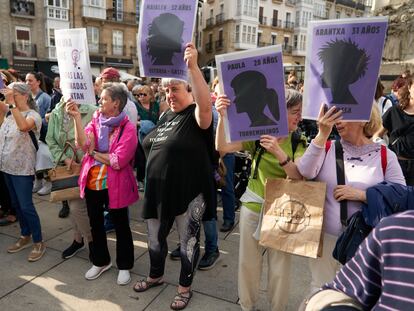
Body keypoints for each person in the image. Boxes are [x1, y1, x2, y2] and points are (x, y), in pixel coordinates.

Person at [133, 43, 214, 310]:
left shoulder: (197, 116)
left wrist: (193, 67)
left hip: (188, 193)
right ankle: (156, 275)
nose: (169, 94)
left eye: (175, 89)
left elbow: (204, 104)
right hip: (158, 192)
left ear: (189, 89)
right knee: (154, 238)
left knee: (187, 242)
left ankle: (184, 287)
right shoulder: (167, 114)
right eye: (166, 90)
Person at [296, 103, 406, 293]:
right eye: (333, 115)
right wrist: (321, 134)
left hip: (365, 240)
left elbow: (401, 198)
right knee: (320, 291)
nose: (336, 120)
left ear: (364, 119)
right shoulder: (327, 147)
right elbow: (304, 170)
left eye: (342, 115)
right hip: (325, 239)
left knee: (356, 296)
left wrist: (363, 195)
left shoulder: (385, 156)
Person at [215, 88, 307, 311]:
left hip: (283, 211)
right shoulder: (258, 134)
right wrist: (223, 117)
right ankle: (247, 306)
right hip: (254, 205)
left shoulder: (298, 140)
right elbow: (223, 147)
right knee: (248, 263)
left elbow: (300, 176)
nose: (300, 117)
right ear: (279, 112)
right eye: (295, 111)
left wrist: (278, 152)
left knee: (280, 267)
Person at [66, 82, 138, 285]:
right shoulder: (96, 120)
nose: (100, 101)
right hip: (92, 182)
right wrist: (77, 119)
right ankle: (101, 261)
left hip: (116, 185)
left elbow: (118, 160)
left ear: (116, 103)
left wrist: (95, 153)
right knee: (95, 224)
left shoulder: (128, 128)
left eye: (104, 98)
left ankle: (124, 266)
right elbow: (83, 144)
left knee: (121, 225)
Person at [303, 209, 414, 311]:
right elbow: (344, 293)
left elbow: (401, 193)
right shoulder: (395, 230)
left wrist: (363, 195)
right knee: (319, 282)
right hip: (328, 232)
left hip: (360, 233)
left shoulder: (393, 228)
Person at [46, 97, 97, 259]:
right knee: (69, 201)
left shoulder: (92, 110)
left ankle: (91, 241)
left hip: (87, 167)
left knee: (77, 208)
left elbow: (98, 139)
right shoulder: (56, 111)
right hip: (66, 168)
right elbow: (51, 140)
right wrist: (66, 159)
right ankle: (78, 239)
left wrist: (86, 159)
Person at [0, 82, 46, 261]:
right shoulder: (9, 114)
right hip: (6, 167)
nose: (10, 97)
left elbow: (23, 127)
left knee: (26, 206)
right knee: (16, 204)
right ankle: (25, 234)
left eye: (14, 94)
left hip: (23, 169)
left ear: (25, 96)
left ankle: (39, 241)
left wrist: (11, 104)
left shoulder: (33, 115)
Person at [375, 77, 414, 185]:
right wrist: (383, 148)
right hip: (396, 164)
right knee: (396, 198)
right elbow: (377, 135)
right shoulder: (394, 112)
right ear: (409, 87)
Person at [26, 72, 52, 195]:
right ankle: (38, 181)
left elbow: (47, 119)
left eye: (30, 80)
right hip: (32, 135)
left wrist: (34, 122)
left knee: (44, 159)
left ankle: (48, 182)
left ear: (38, 82)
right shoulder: (29, 97)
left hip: (42, 136)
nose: (27, 83)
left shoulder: (45, 98)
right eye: (26, 80)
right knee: (35, 159)